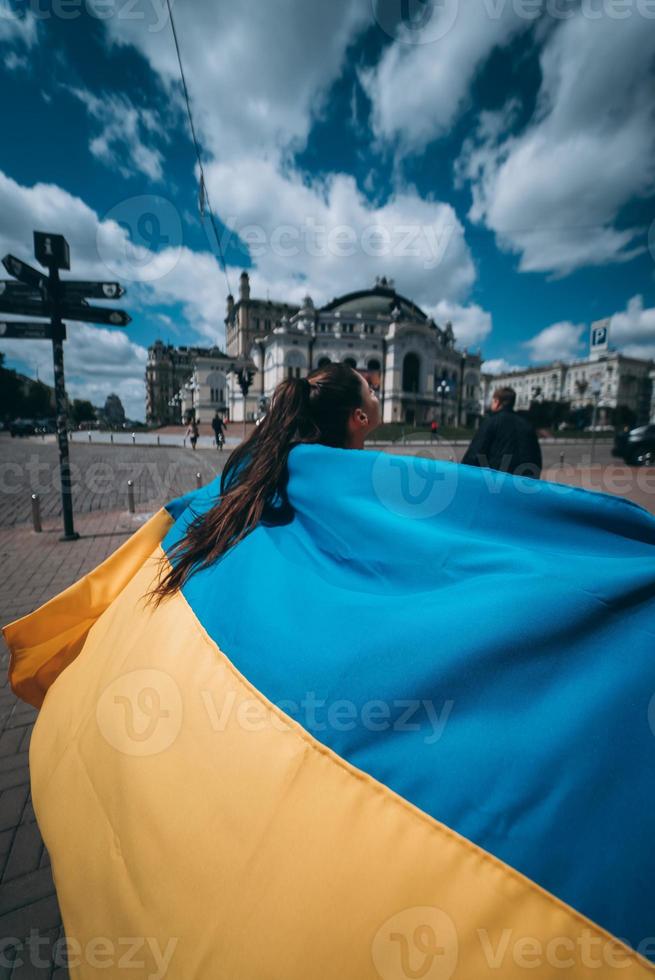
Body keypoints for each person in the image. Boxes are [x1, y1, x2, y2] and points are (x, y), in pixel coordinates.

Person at [3, 361, 655, 976]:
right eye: (370, 399)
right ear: (359, 422)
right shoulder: (360, 490)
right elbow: (479, 526)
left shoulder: (241, 488)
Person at [461, 385, 542, 478]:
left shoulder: (491, 422)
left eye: (493, 401)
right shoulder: (526, 425)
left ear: (497, 402)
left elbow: (475, 454)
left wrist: (464, 474)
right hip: (524, 484)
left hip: (498, 482)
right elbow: (536, 457)